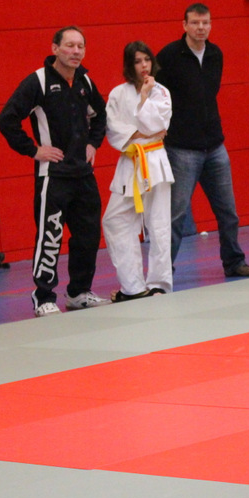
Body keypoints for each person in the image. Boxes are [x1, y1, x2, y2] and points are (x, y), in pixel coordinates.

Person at [0, 26, 110, 317]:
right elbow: (6, 119)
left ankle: (79, 293)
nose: (76, 51)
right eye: (70, 45)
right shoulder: (38, 81)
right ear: (55, 48)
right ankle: (44, 297)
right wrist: (34, 150)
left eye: (80, 46)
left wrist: (93, 143)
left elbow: (101, 115)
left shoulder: (85, 81)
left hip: (83, 175)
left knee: (88, 235)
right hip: (53, 176)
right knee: (50, 236)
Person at [156, 4, 249, 279]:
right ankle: (163, 271)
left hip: (214, 145)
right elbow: (156, 94)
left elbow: (209, 94)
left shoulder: (216, 54)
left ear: (210, 25)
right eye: (195, 22)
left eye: (205, 22)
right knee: (176, 215)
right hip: (181, 148)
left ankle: (234, 262)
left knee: (228, 212)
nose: (201, 27)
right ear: (185, 25)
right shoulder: (169, 55)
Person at [101, 41, 173, 302]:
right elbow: (112, 128)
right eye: (137, 61)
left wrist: (144, 96)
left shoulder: (161, 91)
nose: (144, 66)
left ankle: (159, 284)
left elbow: (158, 124)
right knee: (115, 219)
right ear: (129, 66)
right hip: (131, 161)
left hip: (155, 162)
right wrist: (140, 133)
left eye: (147, 60)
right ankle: (132, 286)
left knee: (159, 223)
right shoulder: (117, 94)